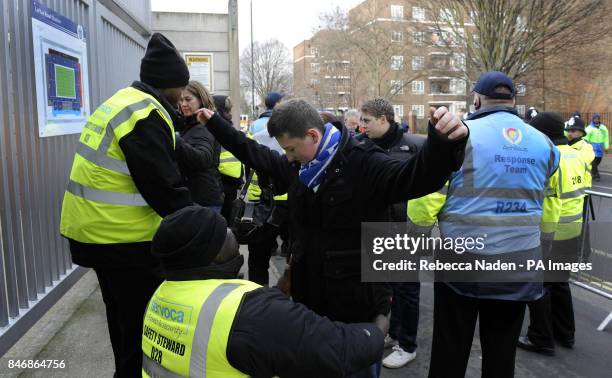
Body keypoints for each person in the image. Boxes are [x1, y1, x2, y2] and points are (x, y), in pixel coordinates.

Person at [197, 98, 468, 377]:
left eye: (291, 149)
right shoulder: (301, 166)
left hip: (357, 310)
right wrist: (216, 124)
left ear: (313, 135)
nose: (288, 157)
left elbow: (414, 177)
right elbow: (255, 154)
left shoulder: (364, 161)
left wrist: (442, 143)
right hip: (311, 305)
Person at [405, 71, 560, 378]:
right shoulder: (544, 144)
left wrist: (416, 240)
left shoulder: (461, 136)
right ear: (513, 100)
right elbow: (546, 201)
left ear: (475, 99)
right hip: (519, 265)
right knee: (501, 355)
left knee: (450, 351)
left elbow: (427, 197)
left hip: (463, 266)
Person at [59, 33, 193, 376]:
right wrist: (202, 228)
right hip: (123, 239)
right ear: (169, 84)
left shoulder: (122, 101)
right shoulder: (144, 114)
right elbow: (164, 188)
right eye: (182, 87)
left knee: (119, 316)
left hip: (95, 232)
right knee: (139, 325)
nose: (184, 95)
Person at [142, 205, 388, 378]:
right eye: (225, 230)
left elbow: (243, 334)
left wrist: (282, 288)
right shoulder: (252, 311)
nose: (233, 233)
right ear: (212, 253)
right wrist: (381, 318)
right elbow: (340, 350)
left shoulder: (162, 294)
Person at [358, 98, 424, 369]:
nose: (362, 126)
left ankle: (407, 345)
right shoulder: (363, 146)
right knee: (384, 286)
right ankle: (393, 333)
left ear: (384, 120)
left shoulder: (415, 146)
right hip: (376, 227)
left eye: (366, 121)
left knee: (406, 289)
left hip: (406, 228)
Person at [518, 112, 590, 355]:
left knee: (539, 286)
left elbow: (549, 202)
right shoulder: (576, 155)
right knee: (560, 284)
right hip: (573, 229)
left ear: (543, 134)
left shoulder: (551, 156)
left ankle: (541, 337)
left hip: (551, 231)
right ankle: (565, 334)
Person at [246, 93, 289, 285]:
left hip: (263, 203)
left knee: (258, 259)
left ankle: (259, 297)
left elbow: (246, 165)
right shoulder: (297, 135)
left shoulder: (255, 132)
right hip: (288, 204)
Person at [177, 81, 224, 212]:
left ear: (201, 100)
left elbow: (203, 158)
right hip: (197, 198)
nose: (183, 104)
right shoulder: (189, 125)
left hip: (204, 201)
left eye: (188, 99)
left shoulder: (203, 126)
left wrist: (177, 142)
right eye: (181, 100)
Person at [213, 95, 244, 224]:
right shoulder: (216, 127)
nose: (229, 113)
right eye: (227, 110)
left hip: (231, 182)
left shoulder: (226, 127)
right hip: (221, 182)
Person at [585, 113, 609, 181]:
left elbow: (606, 137)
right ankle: (596, 175)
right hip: (592, 146)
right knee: (594, 161)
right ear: (592, 119)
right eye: (595, 118)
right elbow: (585, 137)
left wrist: (606, 147)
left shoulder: (603, 128)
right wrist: (587, 145)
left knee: (598, 160)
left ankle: (592, 171)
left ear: (599, 119)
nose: (596, 120)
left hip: (600, 147)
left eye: (597, 118)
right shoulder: (589, 128)